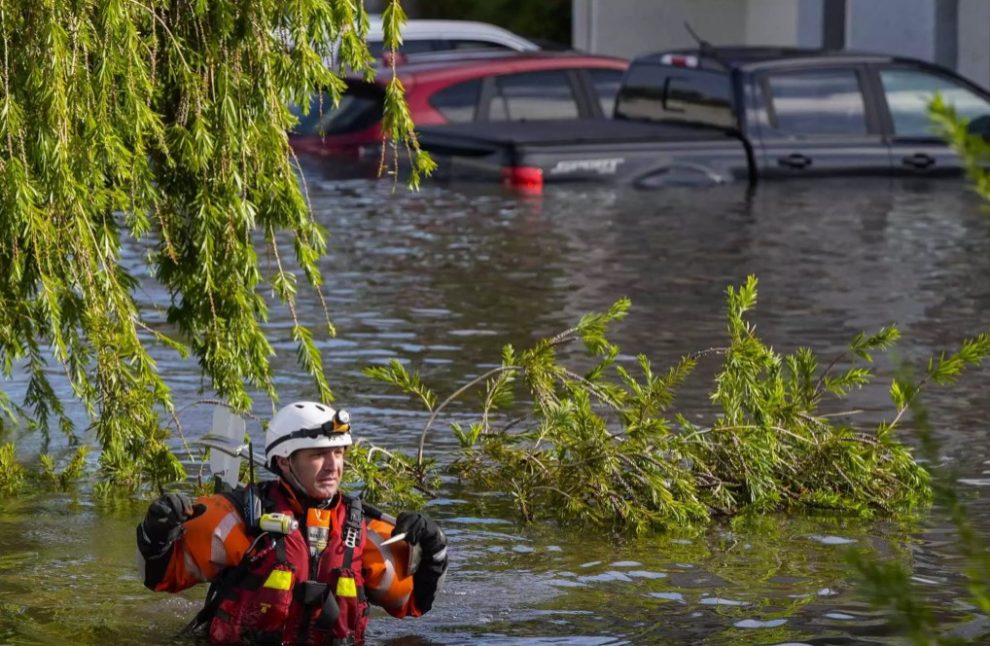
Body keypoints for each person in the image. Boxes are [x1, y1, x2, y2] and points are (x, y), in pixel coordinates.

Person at [136, 401, 448, 645]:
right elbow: (158, 579)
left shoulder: (363, 529)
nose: (333, 466)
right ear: (285, 461)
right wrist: (157, 531)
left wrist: (434, 550)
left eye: (338, 453)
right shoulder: (235, 518)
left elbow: (412, 605)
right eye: (318, 455)